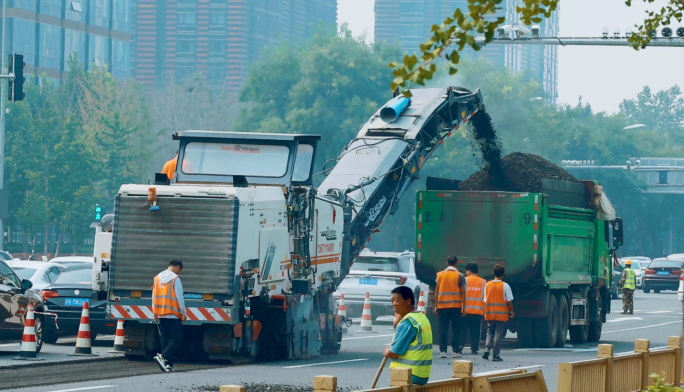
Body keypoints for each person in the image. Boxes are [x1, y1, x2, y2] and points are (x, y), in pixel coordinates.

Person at [384, 286, 433, 385]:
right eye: (392, 300)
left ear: (408, 301)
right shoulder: (421, 317)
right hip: (421, 374)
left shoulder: (408, 323)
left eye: (397, 300)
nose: (394, 304)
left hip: (407, 375)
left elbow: (394, 352)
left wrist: (387, 352)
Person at [152, 259, 187, 372]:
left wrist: (154, 311)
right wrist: (183, 312)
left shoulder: (157, 277)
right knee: (177, 340)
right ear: (177, 267)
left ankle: (168, 365)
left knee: (165, 339)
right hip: (173, 314)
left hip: (161, 313)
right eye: (179, 270)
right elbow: (179, 297)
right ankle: (162, 357)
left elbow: (153, 296)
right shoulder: (175, 279)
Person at [434, 255, 466, 358]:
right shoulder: (460, 276)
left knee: (443, 329)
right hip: (456, 306)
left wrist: (436, 305)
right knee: (456, 329)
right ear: (457, 263)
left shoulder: (439, 275)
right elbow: (463, 293)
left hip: (442, 306)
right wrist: (464, 307)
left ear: (447, 263)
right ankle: (455, 351)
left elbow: (436, 291)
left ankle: (443, 351)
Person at [482, 264, 513, 362]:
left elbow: (485, 300)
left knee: (489, 332)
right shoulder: (505, 286)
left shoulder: (487, 285)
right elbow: (509, 301)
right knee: (498, 334)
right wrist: (511, 311)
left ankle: (487, 350)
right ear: (503, 275)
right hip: (501, 314)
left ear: (493, 273)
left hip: (490, 313)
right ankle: (496, 354)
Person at [458, 263, 486, 355]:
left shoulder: (464, 280)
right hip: (478, 311)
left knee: (462, 329)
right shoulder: (483, 282)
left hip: (465, 311)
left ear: (469, 270)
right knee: (476, 331)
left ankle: (460, 345)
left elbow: (460, 294)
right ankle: (474, 349)